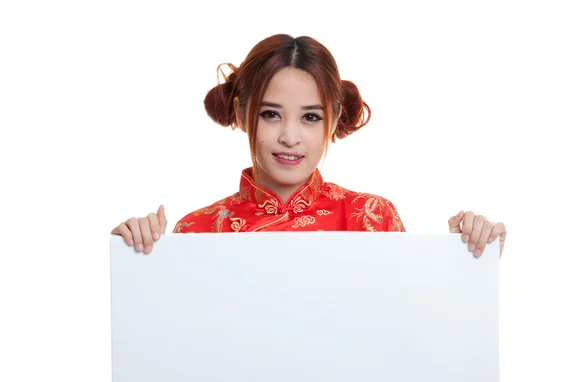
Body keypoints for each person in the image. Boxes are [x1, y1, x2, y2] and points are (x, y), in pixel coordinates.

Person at [111, 34, 507, 259]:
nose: (289, 136)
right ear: (241, 111)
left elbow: (410, 334)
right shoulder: (194, 232)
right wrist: (132, 257)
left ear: (333, 120)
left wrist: (466, 254)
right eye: (270, 114)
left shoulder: (372, 218)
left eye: (310, 117)